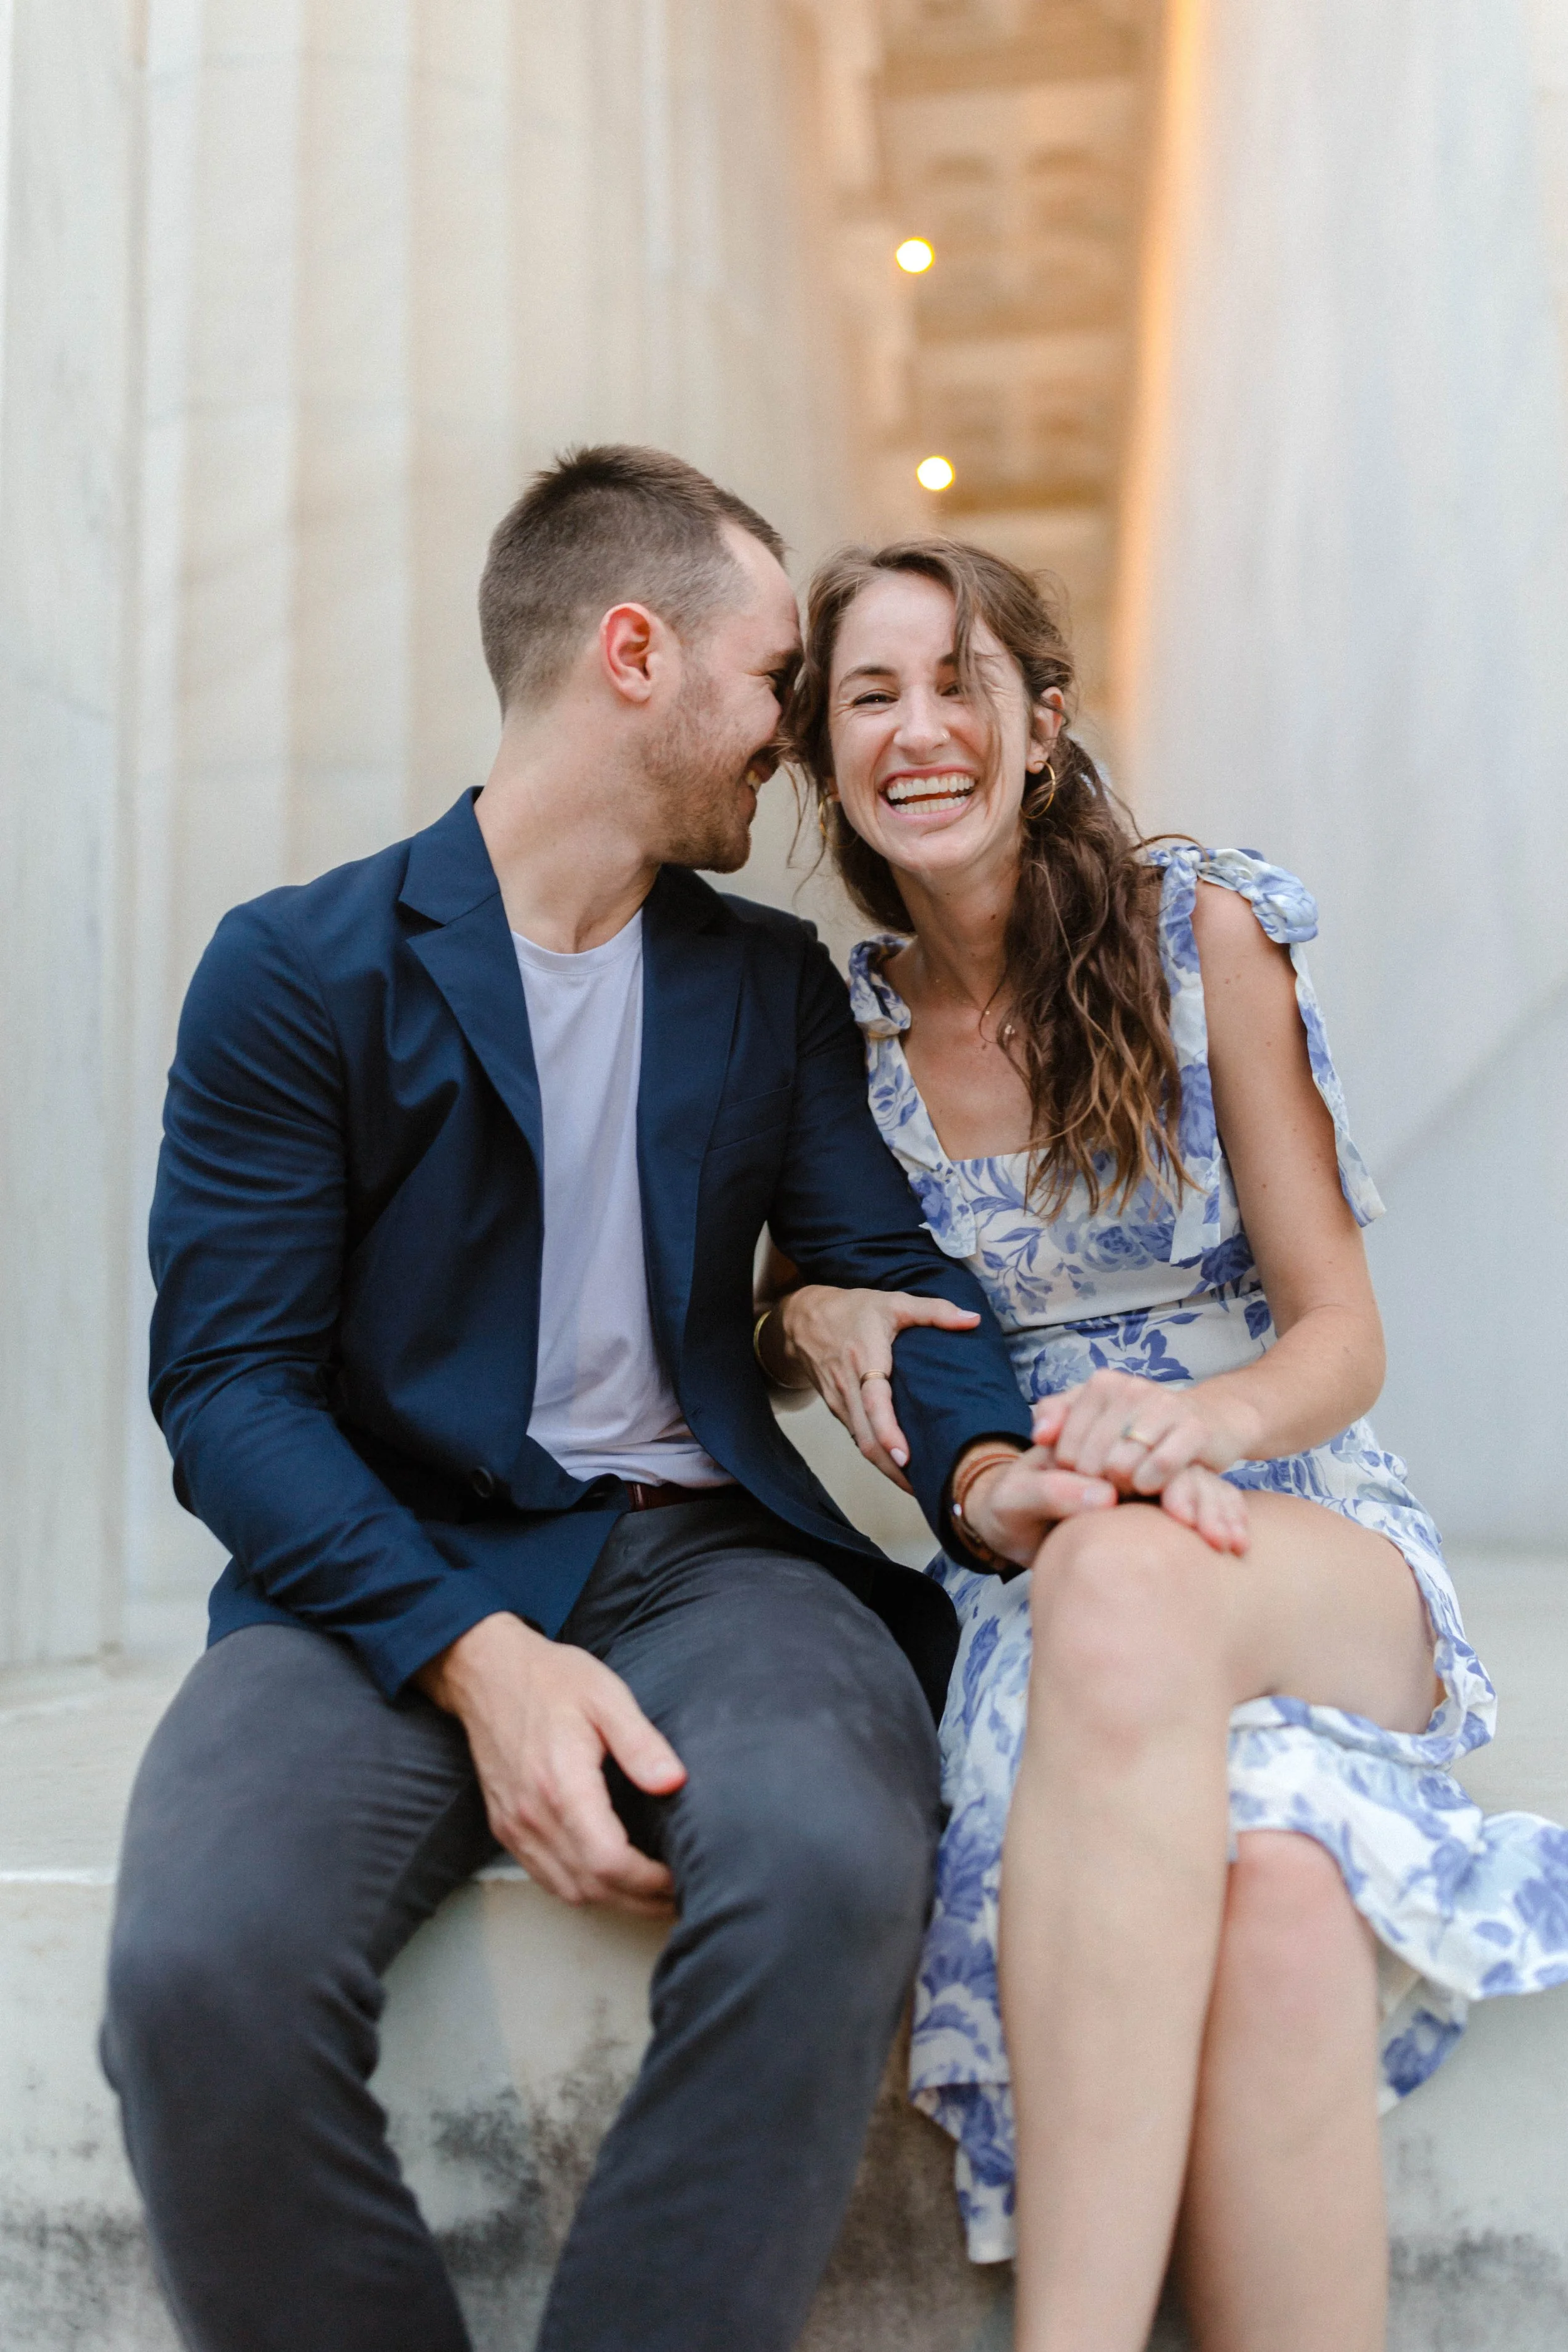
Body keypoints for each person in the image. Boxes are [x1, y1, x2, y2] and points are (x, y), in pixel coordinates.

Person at [98, 452, 1133, 2352]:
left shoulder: (768, 983)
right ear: (633, 653)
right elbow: (228, 1392)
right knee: (196, 1971)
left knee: (828, 1864)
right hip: (378, 1573)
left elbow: (896, 1271)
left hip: (712, 1570)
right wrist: (475, 1653)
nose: (797, 736)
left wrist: (989, 1473)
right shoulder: (295, 970)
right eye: (776, 680)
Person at [760, 537, 1568, 2352]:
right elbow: (814, 1328)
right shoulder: (842, 1030)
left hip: (1286, 1515)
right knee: (1275, 1902)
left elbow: (1341, 1335)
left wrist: (1186, 1423)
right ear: (820, 754)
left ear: (1040, 720)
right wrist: (803, 1319)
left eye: (956, 679)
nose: (917, 729)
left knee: (1128, 1570)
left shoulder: (1194, 929)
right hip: (1040, 1543)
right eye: (865, 694)